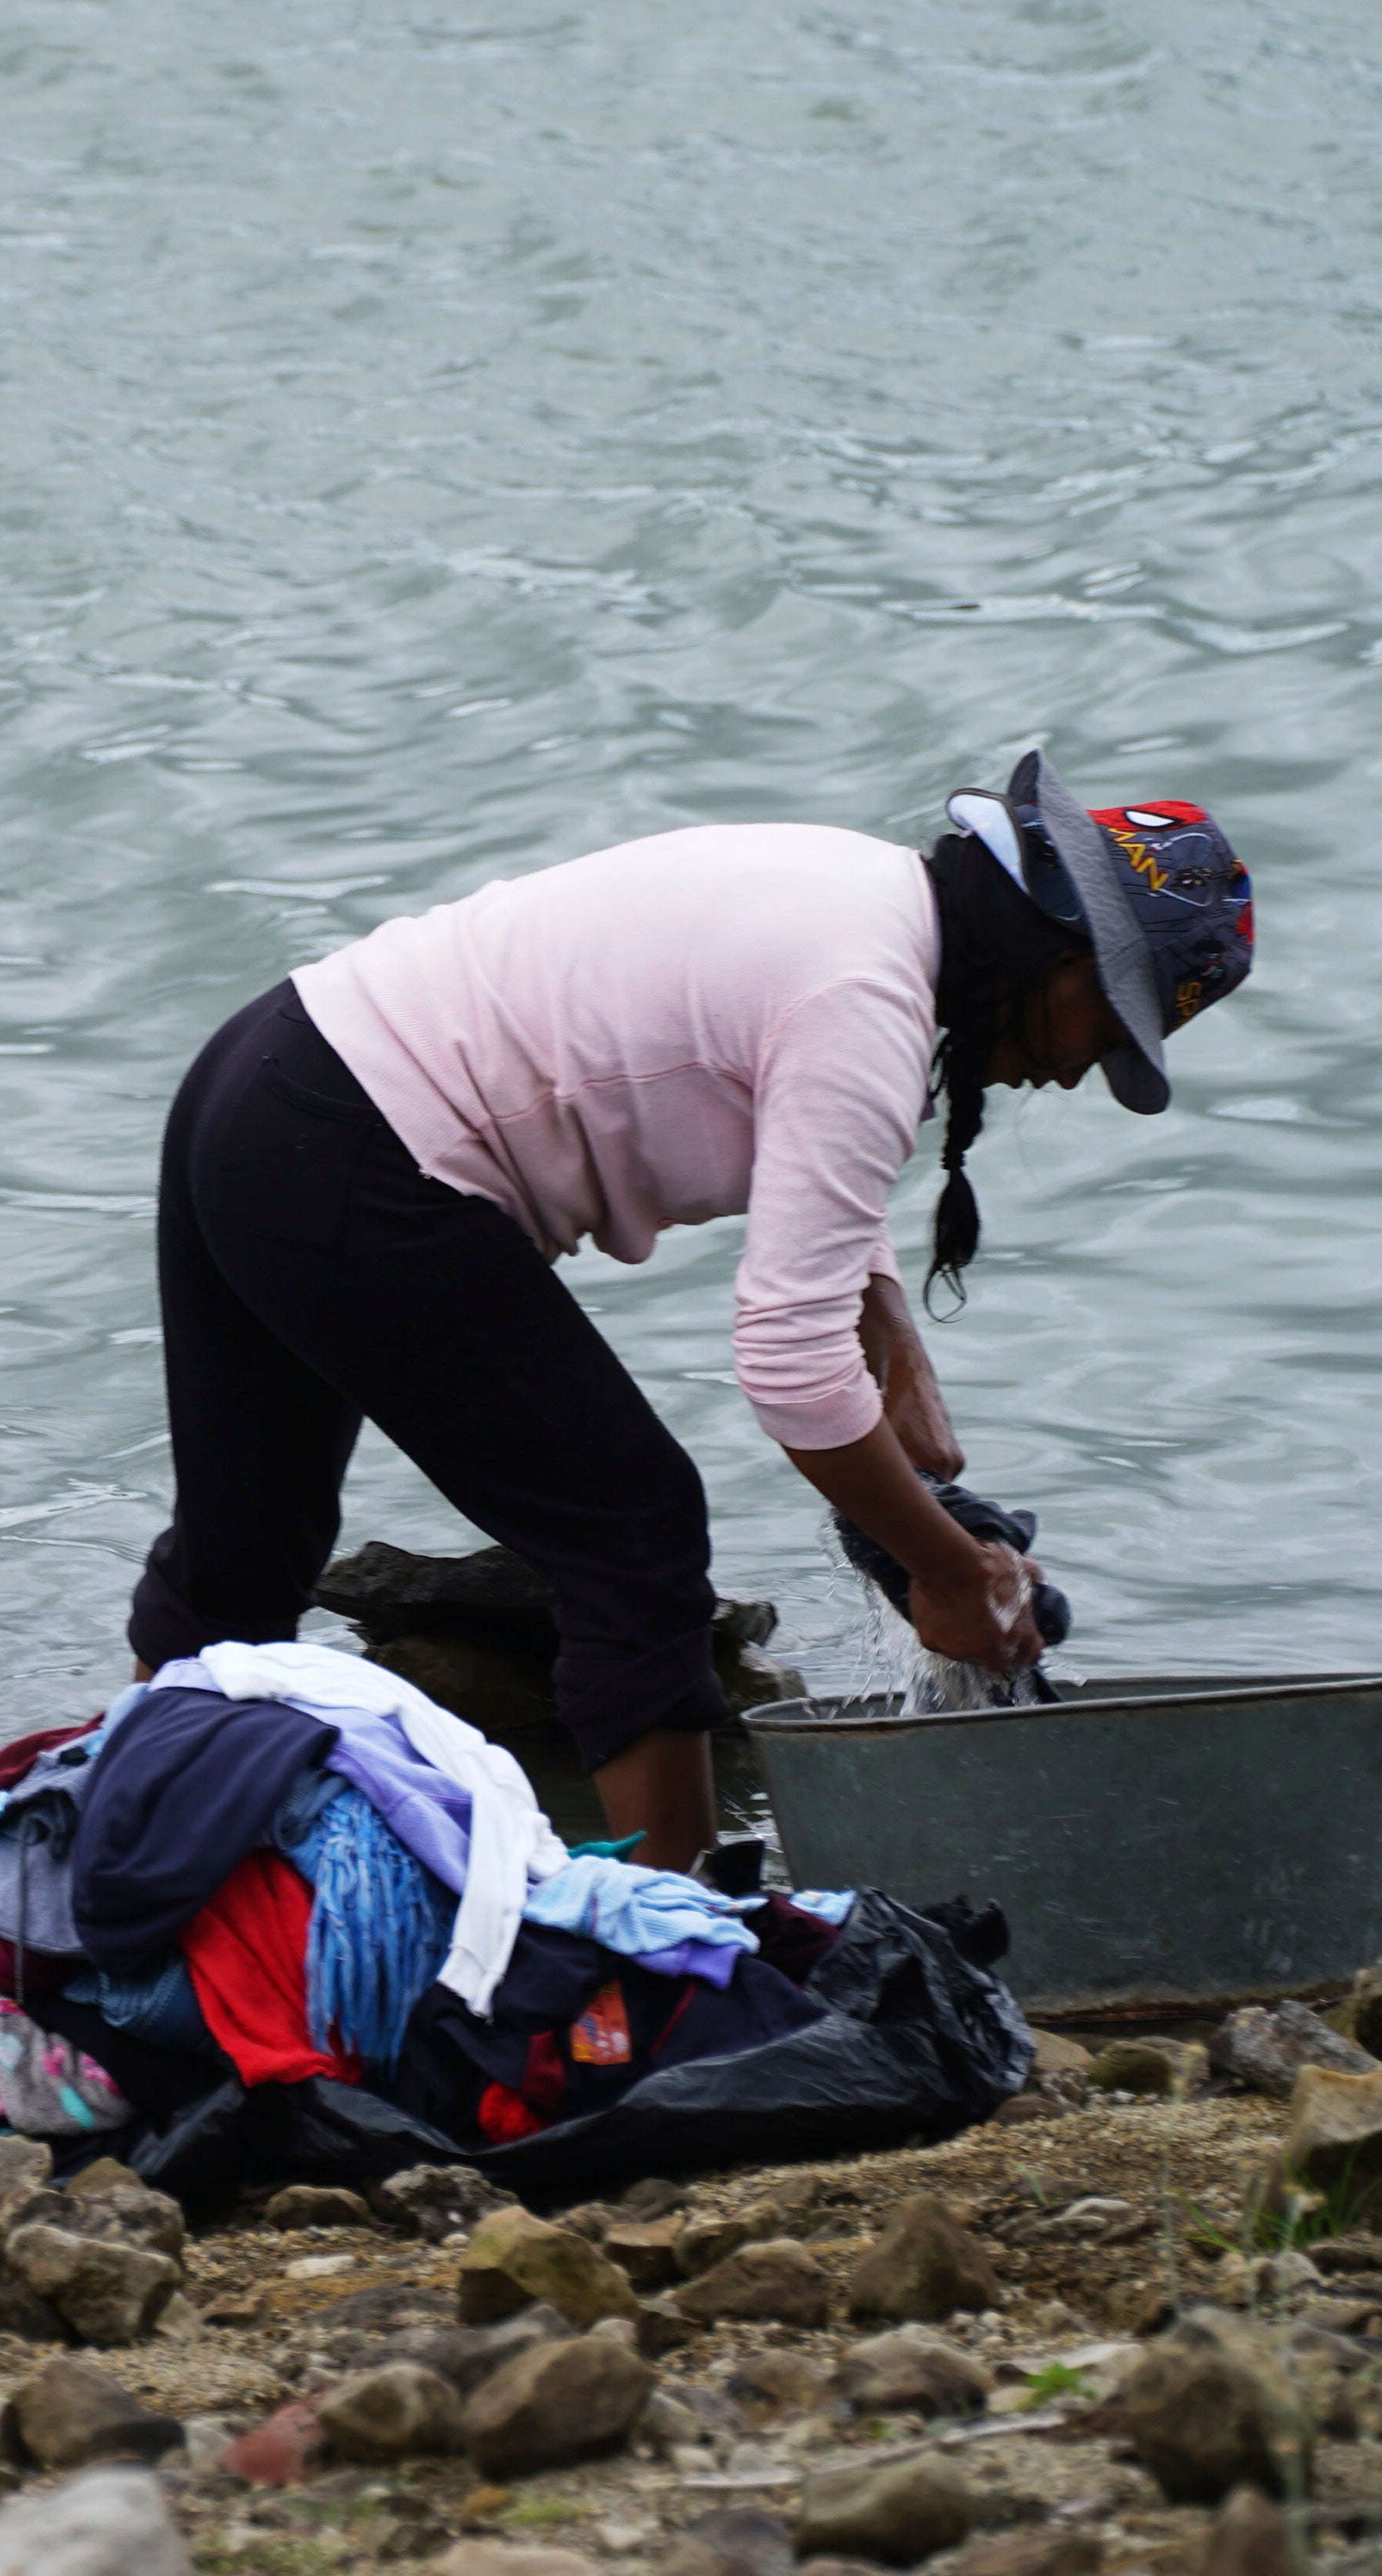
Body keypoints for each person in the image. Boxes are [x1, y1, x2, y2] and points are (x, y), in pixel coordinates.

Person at [124, 753, 1257, 1868]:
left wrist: (895, 1348)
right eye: (1102, 1032)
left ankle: (107, 1885)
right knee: (635, 1536)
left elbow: (810, 1165)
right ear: (1060, 953)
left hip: (267, 1076)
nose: (1072, 1075)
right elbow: (788, 1363)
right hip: (361, 1155)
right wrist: (950, 1575)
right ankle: (671, 1958)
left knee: (242, 1552)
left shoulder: (866, 900)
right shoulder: (868, 1000)